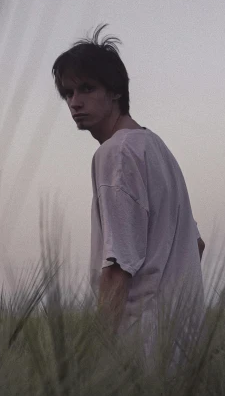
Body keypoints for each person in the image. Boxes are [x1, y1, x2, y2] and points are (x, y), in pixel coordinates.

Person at [51, 24, 205, 370]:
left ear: (116, 92)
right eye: (68, 93)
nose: (75, 102)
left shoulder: (115, 154)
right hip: (185, 344)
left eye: (87, 89)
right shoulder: (156, 147)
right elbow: (196, 246)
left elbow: (119, 267)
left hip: (141, 348)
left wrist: (95, 358)